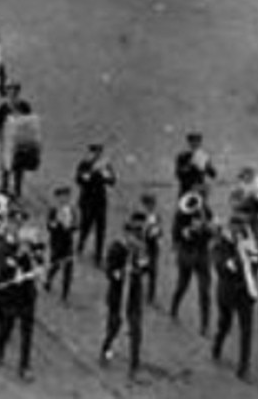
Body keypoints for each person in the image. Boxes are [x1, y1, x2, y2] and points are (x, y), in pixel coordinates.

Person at [212, 213, 258, 381]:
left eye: (242, 227)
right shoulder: (221, 244)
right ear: (230, 227)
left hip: (245, 292)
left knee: (246, 331)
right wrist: (240, 257)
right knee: (225, 325)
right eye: (236, 226)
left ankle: (243, 368)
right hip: (227, 292)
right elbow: (222, 268)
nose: (239, 230)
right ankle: (217, 346)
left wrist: (257, 257)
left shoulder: (247, 242)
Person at [100, 213, 150, 378]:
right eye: (131, 235)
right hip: (117, 295)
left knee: (136, 329)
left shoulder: (140, 249)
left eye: (137, 235)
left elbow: (145, 269)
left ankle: (134, 365)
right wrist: (121, 272)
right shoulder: (116, 248)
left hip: (133, 296)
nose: (134, 238)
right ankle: (106, 350)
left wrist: (139, 267)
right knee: (114, 327)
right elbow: (109, 271)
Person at [0, 225, 43, 381]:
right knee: (6, 328)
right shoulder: (1, 249)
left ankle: (24, 366)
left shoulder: (30, 251)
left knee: (27, 334)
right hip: (11, 298)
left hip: (27, 297)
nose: (24, 245)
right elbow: (2, 272)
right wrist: (15, 275)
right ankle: (0, 350)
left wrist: (36, 268)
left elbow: (39, 263)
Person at [170, 190, 214, 336]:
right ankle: (174, 307)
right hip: (187, 254)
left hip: (202, 254)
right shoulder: (181, 214)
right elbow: (176, 235)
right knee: (182, 285)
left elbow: (212, 233)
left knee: (204, 291)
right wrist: (188, 232)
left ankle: (204, 324)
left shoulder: (206, 211)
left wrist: (207, 228)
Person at [76, 143, 116, 265]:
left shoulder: (105, 165)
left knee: (101, 229)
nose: (97, 155)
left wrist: (106, 176)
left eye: (99, 153)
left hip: (100, 201)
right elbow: (79, 179)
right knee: (85, 226)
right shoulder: (85, 164)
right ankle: (80, 245)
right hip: (87, 200)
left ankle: (98, 255)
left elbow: (112, 181)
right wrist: (92, 173)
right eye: (95, 152)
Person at [1, 100, 41, 198]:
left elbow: (12, 136)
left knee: (7, 168)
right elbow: (37, 140)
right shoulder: (33, 121)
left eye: (16, 110)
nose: (14, 112)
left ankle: (5, 188)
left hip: (17, 152)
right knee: (18, 172)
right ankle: (17, 190)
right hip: (28, 153)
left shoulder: (16, 121)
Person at [45, 186, 78, 301]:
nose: (65, 199)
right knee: (55, 264)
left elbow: (76, 226)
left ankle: (65, 293)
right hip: (56, 242)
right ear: (58, 198)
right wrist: (56, 224)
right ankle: (48, 279)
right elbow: (49, 226)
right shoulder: (53, 210)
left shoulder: (72, 210)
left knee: (68, 268)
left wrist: (70, 227)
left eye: (67, 196)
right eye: (62, 197)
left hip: (68, 243)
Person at [175, 132, 217, 197]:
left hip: (199, 189)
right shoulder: (182, 156)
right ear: (189, 143)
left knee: (204, 206)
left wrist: (207, 167)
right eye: (192, 142)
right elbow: (179, 174)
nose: (195, 144)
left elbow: (213, 175)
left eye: (197, 142)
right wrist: (191, 165)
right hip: (186, 189)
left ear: (200, 143)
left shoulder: (204, 156)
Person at [139, 194, 163, 305]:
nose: (151, 207)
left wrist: (157, 232)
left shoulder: (156, 216)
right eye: (149, 205)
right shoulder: (141, 216)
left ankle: (150, 297)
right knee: (141, 269)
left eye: (152, 205)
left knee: (153, 272)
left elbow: (160, 231)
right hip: (143, 246)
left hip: (153, 247)